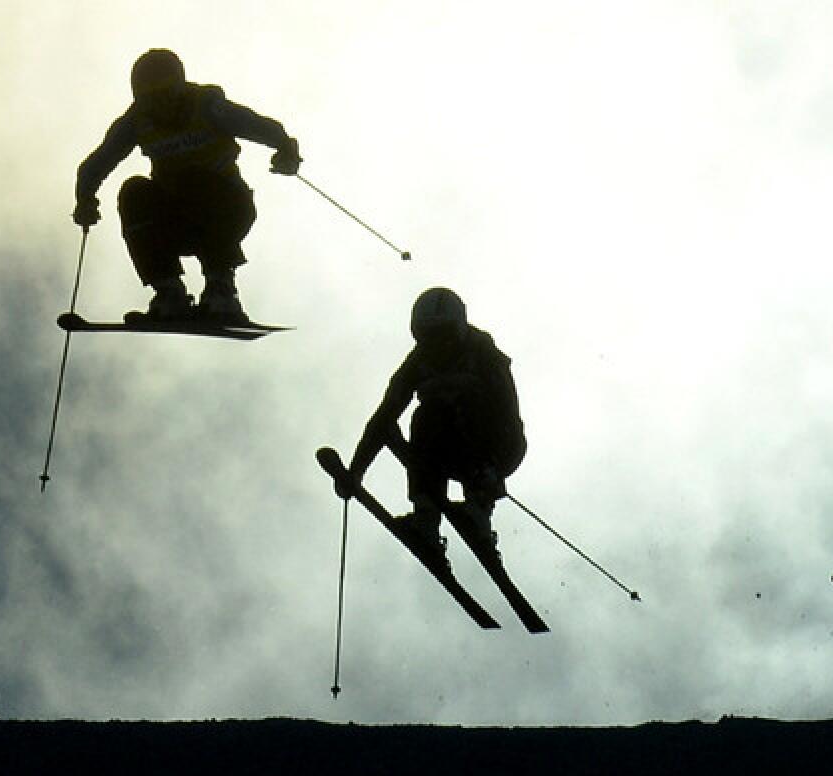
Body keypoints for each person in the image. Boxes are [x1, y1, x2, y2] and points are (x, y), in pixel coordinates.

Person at [72, 48, 301, 324]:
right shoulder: (137, 121)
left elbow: (251, 123)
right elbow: (98, 161)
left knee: (190, 178)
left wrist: (285, 147)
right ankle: (169, 291)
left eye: (167, 93)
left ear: (180, 87)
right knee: (134, 191)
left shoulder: (205, 106)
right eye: (150, 98)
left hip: (226, 209)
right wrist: (85, 199)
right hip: (178, 220)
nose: (160, 104)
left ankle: (221, 286)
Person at [340, 287, 527, 556]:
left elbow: (508, 412)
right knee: (425, 416)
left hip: (495, 449)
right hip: (448, 452)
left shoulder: (483, 353)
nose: (438, 346)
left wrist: (492, 472)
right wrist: (356, 470)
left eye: (444, 336)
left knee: (462, 401)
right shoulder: (419, 362)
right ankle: (426, 513)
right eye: (429, 338)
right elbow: (385, 416)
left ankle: (478, 509)